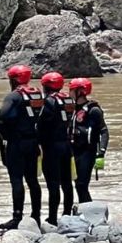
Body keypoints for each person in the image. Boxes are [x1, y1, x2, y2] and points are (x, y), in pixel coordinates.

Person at [0, 64, 44, 229]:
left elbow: (2, 114)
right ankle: (36, 216)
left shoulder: (14, 96)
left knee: (17, 180)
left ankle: (17, 217)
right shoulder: (37, 94)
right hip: (33, 143)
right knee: (33, 180)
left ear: (14, 80)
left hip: (17, 144)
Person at [38, 71, 75, 225]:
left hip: (51, 147)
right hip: (66, 145)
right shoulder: (68, 99)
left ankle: (52, 217)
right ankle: (67, 213)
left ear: (46, 86)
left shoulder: (48, 101)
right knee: (67, 182)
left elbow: (41, 124)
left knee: (53, 184)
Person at [69, 78, 109, 204]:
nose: (69, 92)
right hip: (74, 151)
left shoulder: (93, 110)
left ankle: (89, 210)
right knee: (77, 184)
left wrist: (101, 153)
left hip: (87, 152)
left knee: (82, 184)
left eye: (71, 90)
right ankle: (84, 209)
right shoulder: (71, 108)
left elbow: (104, 131)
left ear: (80, 92)